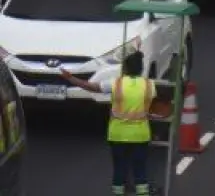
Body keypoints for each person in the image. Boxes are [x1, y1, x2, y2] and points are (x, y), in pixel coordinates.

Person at [59, 51, 157, 196]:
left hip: (117, 135)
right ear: (141, 68)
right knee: (140, 171)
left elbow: (91, 87)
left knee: (119, 171)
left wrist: (71, 78)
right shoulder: (150, 85)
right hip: (140, 135)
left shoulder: (116, 84)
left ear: (125, 68)